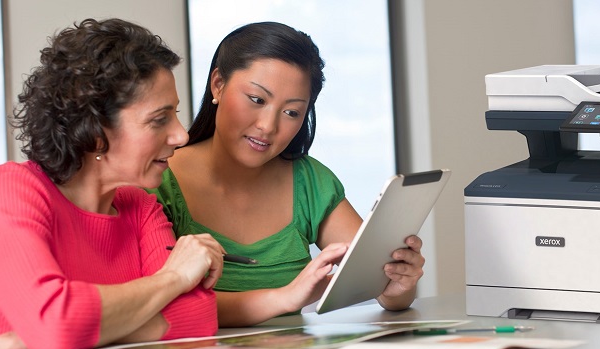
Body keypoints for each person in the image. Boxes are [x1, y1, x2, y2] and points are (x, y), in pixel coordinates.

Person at [0, 18, 225, 349]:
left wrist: (64, 336)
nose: (181, 135)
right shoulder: (7, 191)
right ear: (95, 130)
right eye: (159, 119)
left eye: (174, 115)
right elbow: (55, 323)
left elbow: (198, 316)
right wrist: (173, 277)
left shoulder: (141, 207)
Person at [151, 21, 425, 328]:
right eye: (257, 100)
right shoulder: (157, 178)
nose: (268, 126)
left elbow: (384, 287)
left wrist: (400, 286)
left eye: (292, 112)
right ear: (218, 84)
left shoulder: (309, 181)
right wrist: (286, 296)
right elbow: (164, 305)